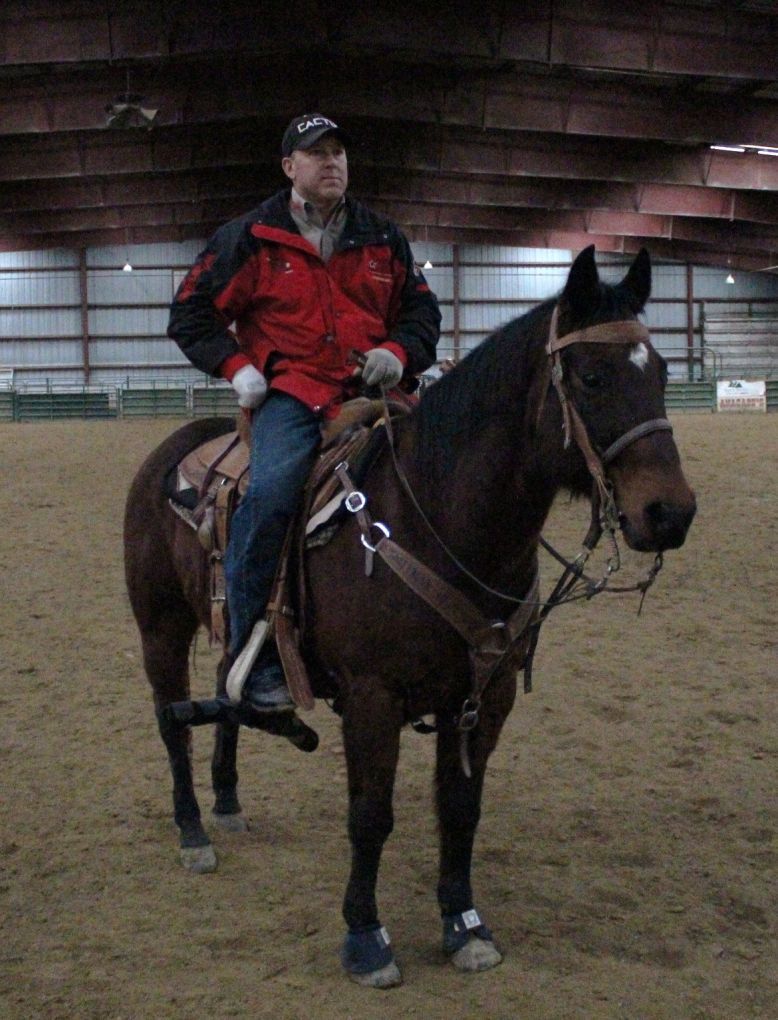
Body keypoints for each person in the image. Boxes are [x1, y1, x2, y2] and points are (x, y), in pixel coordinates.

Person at [168, 113, 441, 713]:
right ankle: (253, 654)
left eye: (338, 152)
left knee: (449, 473)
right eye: (317, 153)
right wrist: (236, 367)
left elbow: (422, 315)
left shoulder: (383, 237)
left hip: (375, 392)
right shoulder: (249, 237)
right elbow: (189, 313)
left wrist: (397, 353)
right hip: (295, 395)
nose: (332, 162)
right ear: (290, 167)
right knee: (270, 496)